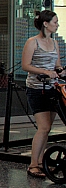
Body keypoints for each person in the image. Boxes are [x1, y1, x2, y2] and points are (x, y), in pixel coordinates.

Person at [21, 10, 62, 178]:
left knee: (47, 128)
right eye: (55, 22)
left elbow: (57, 64)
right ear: (46, 24)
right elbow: (26, 65)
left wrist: (59, 71)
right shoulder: (33, 42)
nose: (57, 25)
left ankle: (40, 162)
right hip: (37, 89)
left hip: (53, 88)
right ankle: (32, 164)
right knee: (43, 127)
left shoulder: (54, 43)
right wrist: (45, 71)